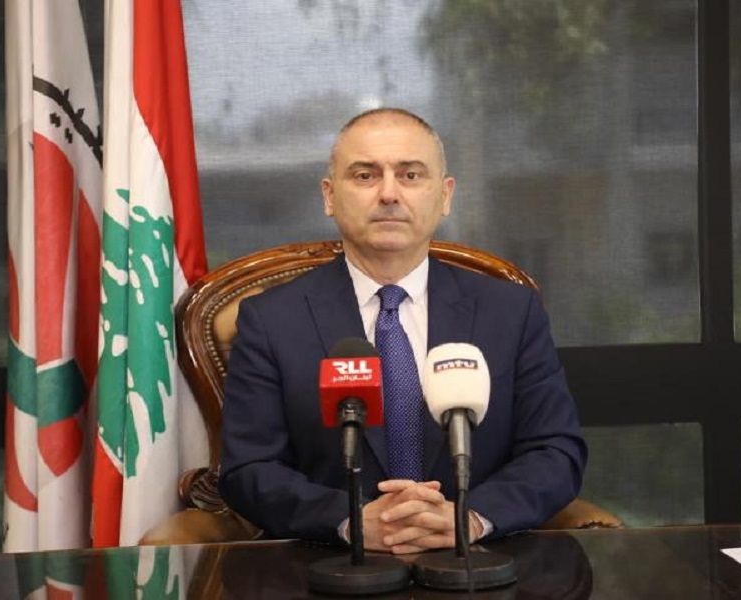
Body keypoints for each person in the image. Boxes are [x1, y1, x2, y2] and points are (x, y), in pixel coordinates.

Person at [219, 108, 586, 554]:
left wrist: (470, 518)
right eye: (365, 175)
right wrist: (350, 521)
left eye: (411, 175)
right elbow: (248, 469)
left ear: (445, 196)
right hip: (333, 566)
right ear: (329, 196)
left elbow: (555, 451)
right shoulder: (271, 320)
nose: (389, 194)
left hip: (479, 566)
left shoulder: (510, 312)